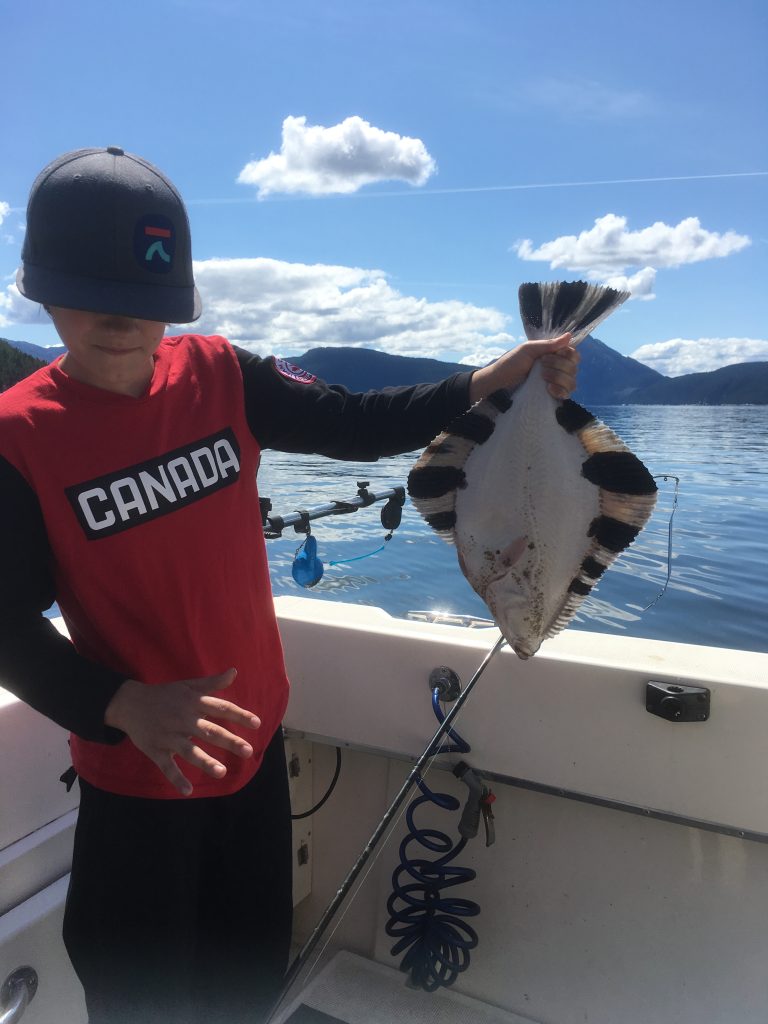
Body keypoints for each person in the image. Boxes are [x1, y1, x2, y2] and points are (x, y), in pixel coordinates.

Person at [0, 146, 580, 1024]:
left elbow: (355, 423)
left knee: (243, 986)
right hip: (141, 783)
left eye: (142, 298)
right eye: (90, 291)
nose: (118, 316)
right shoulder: (20, 437)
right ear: (38, 290)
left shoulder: (223, 375)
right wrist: (121, 704)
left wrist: (487, 381)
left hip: (254, 760)